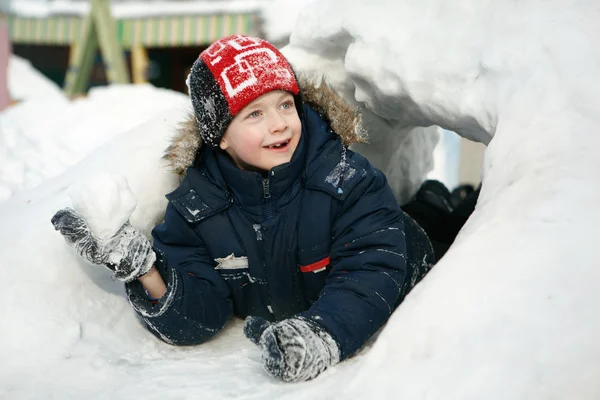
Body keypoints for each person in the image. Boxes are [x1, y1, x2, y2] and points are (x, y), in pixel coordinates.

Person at [51, 34, 436, 383]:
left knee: (440, 219)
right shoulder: (198, 208)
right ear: (220, 137)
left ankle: (442, 202)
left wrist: (321, 333)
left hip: (409, 254)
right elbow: (200, 316)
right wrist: (142, 267)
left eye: (286, 105)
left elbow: (371, 272)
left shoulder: (346, 179)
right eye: (255, 114)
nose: (280, 124)